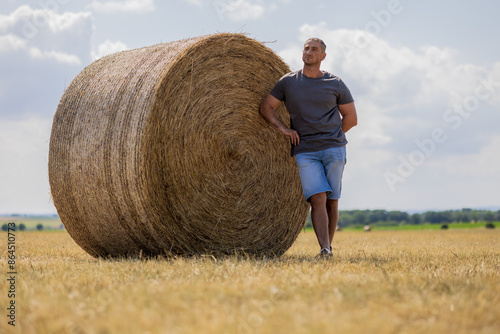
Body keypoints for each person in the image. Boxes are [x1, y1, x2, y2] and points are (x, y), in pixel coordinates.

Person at [260, 37, 358, 258]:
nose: (309, 52)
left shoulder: (335, 83)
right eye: (306, 48)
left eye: (314, 49)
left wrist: (333, 136)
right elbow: (266, 107)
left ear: (323, 56)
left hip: (334, 149)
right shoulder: (288, 82)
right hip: (305, 151)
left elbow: (351, 118)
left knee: (332, 201)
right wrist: (283, 129)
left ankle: (327, 249)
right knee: (317, 198)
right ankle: (324, 248)